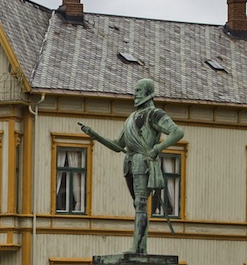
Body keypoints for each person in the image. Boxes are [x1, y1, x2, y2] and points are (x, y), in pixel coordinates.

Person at [78, 78, 183, 255]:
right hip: (130, 163)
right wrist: (95, 135)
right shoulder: (130, 119)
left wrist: (157, 148)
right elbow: (118, 146)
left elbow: (177, 132)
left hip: (143, 162)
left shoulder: (155, 114)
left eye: (138, 90)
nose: (135, 94)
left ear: (148, 92)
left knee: (141, 203)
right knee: (138, 205)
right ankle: (139, 246)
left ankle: (138, 248)